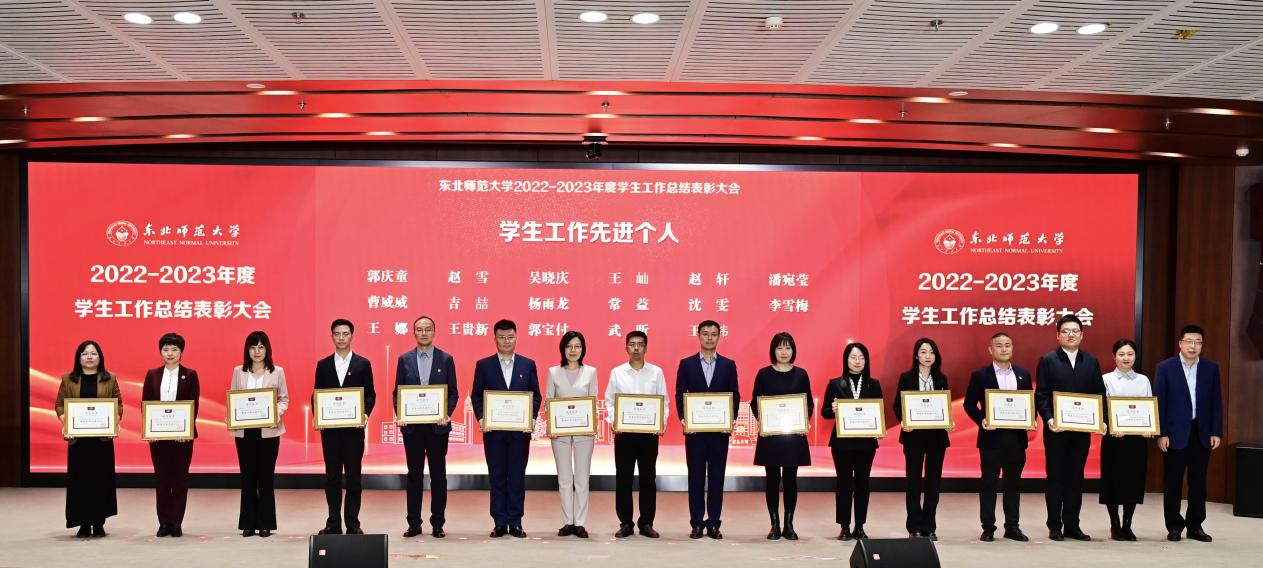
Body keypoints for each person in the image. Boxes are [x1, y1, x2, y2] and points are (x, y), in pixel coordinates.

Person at [1035, 314, 1104, 541]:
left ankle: (1073, 524)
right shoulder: (1048, 360)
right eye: (1065, 331)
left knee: (1076, 477)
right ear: (1058, 335)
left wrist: (1099, 419)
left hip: (1081, 431)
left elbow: (1099, 393)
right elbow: (1041, 394)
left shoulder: (1091, 361)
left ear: (1082, 335)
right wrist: (1049, 419)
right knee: (1056, 477)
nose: (1070, 334)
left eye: (1075, 331)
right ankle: (1054, 525)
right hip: (1056, 431)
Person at [471, 319, 542, 538]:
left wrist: (531, 417)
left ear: (516, 338)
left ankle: (516, 521)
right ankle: (500, 522)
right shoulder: (484, 365)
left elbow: (536, 396)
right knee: (497, 476)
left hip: (520, 433)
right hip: (494, 433)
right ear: (495, 339)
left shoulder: (528, 365)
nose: (506, 341)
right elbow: (476, 395)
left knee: (517, 477)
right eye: (501, 337)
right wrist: (481, 418)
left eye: (510, 337)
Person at [964, 332, 1034, 542]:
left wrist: (1031, 419)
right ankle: (988, 527)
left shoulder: (1023, 374)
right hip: (991, 439)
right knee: (989, 484)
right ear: (990, 349)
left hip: (1016, 439)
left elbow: (1029, 404)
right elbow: (969, 404)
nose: (1004, 349)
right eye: (999, 345)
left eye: (1007, 345)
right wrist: (982, 420)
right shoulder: (980, 375)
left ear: (1012, 348)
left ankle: (1012, 526)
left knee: (1014, 484)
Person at [1156, 324, 1222, 543]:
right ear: (1180, 344)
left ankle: (1195, 526)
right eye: (1189, 341)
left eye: (1198, 342)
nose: (1193, 346)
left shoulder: (1211, 368)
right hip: (1174, 433)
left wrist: (1216, 431)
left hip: (1201, 432)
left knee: (1198, 482)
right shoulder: (1165, 368)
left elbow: (1216, 401)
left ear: (1202, 345)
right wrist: (1162, 433)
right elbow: (1160, 402)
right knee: (1172, 482)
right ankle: (1174, 526)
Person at [394, 315, 458, 539]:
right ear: (414, 333)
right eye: (420, 329)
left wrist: (446, 414)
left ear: (434, 332)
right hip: (412, 428)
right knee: (414, 475)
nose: (424, 333)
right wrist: (401, 414)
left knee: (438, 475)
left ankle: (438, 523)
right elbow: (397, 393)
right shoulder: (404, 359)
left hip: (437, 429)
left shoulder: (446, 359)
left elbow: (453, 393)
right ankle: (414, 523)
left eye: (428, 329)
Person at [675, 320, 740, 539]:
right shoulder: (687, 364)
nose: (709, 337)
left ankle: (713, 523)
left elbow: (735, 395)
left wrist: (730, 420)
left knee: (716, 478)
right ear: (698, 336)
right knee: (695, 477)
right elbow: (680, 393)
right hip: (695, 433)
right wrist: (684, 419)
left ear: (719, 336)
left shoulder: (728, 365)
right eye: (705, 333)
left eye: (713, 334)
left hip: (719, 433)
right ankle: (696, 523)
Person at [314, 319, 376, 535]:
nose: (341, 338)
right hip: (330, 432)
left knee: (353, 479)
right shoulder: (323, 365)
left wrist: (364, 414)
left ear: (352, 336)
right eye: (337, 334)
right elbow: (316, 395)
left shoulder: (363, 364)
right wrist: (318, 416)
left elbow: (370, 394)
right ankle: (333, 523)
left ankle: (353, 524)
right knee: (331, 478)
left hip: (353, 432)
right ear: (332, 336)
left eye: (345, 334)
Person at [750, 332, 813, 540]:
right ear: (773, 351)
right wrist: (763, 421)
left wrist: (804, 421)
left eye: (788, 347)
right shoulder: (763, 374)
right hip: (771, 436)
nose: (784, 352)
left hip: (793, 435)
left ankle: (789, 524)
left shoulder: (801, 374)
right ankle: (774, 525)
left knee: (791, 480)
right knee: (772, 480)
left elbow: (808, 403)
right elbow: (755, 402)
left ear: (793, 350)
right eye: (779, 348)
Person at [606, 330, 667, 539]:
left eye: (640, 344)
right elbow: (609, 401)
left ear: (646, 348)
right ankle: (626, 522)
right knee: (623, 478)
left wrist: (661, 422)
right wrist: (614, 421)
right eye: (632, 344)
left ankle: (646, 522)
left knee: (648, 478)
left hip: (649, 434)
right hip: (624, 434)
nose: (636, 348)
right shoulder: (617, 373)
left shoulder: (656, 373)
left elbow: (664, 401)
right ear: (626, 347)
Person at [56, 340, 120, 538]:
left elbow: (118, 404)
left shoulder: (110, 378)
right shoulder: (68, 379)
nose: (89, 357)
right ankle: (83, 523)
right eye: (85, 353)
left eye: (93, 353)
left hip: (102, 441)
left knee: (101, 482)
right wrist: (66, 422)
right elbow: (59, 404)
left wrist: (114, 422)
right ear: (78, 358)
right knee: (80, 482)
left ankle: (98, 523)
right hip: (78, 441)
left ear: (100, 357)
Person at [820, 342, 883, 541]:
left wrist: (879, 427)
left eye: (861, 358)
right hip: (842, 444)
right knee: (844, 483)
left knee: (863, 484)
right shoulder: (835, 384)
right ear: (846, 360)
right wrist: (833, 409)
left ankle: (860, 526)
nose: (857, 361)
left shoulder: (874, 384)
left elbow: (879, 412)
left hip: (866, 444)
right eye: (853, 357)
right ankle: (845, 526)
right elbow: (825, 412)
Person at [230, 331, 289, 538]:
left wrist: (275, 413)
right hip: (244, 432)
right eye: (253, 347)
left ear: (267, 350)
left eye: (261, 347)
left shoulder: (277, 371)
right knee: (247, 477)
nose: (257, 351)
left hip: (269, 432)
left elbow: (284, 399)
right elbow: (233, 399)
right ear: (247, 350)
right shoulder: (239, 371)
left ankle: (266, 523)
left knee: (265, 477)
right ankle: (247, 523)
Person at [143, 332, 200, 538]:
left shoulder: (190, 375)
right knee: (162, 479)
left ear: (181, 352)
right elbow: (146, 403)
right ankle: (163, 522)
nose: (170, 353)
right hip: (158, 437)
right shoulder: (152, 375)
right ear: (160, 352)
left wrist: (186, 430)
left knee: (180, 480)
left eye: (174, 349)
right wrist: (149, 429)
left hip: (182, 437)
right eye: (166, 349)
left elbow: (194, 404)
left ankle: (176, 522)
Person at [892, 338, 950, 540]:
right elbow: (897, 405)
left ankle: (929, 526)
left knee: (934, 482)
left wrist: (948, 420)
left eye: (932, 352)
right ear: (916, 355)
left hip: (936, 437)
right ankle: (914, 527)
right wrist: (903, 421)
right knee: (913, 482)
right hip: (913, 436)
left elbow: (944, 406)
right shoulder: (906, 377)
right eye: (923, 352)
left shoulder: (941, 378)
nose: (928, 356)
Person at [546, 331, 598, 538]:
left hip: (584, 433)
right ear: (563, 349)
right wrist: (552, 426)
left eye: (577, 346)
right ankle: (568, 521)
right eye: (569, 346)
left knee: (582, 479)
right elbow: (549, 401)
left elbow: (593, 401)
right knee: (565, 478)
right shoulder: (553, 372)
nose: (573, 350)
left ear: (583, 349)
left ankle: (580, 523)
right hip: (560, 434)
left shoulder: (591, 372)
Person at [1099, 338, 1151, 541]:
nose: (1126, 358)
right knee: (1112, 482)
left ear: (1135, 356)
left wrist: (1149, 427)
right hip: (1114, 439)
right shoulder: (1105, 379)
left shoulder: (1143, 380)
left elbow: (1148, 408)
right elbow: (1103, 409)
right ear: (1114, 357)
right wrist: (1111, 426)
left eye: (1130, 354)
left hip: (1137, 440)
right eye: (1121, 354)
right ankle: (1114, 524)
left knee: (1133, 481)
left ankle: (1128, 524)